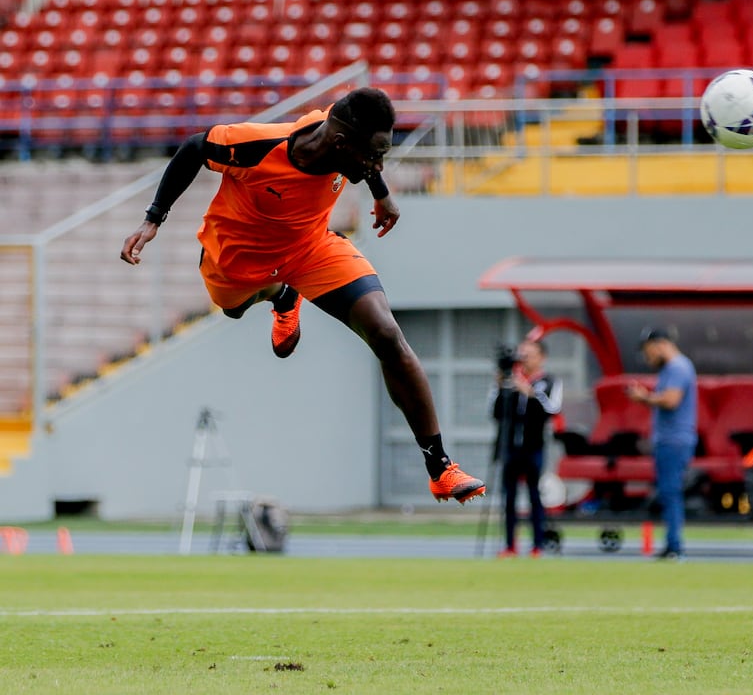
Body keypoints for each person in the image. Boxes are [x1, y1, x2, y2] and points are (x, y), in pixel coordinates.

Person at [119, 87, 485, 504]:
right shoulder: (256, 146)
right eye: (374, 156)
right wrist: (153, 221)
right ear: (341, 144)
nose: (378, 164)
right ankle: (281, 297)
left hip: (311, 248)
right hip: (237, 257)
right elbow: (194, 148)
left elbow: (366, 149)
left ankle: (440, 467)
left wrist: (381, 194)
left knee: (386, 334)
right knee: (234, 309)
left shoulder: (344, 130)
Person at [627, 327, 698, 560]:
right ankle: (672, 543)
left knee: (670, 492)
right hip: (669, 439)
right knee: (668, 492)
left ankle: (674, 545)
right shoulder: (671, 369)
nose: (648, 358)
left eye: (649, 352)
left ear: (660, 345)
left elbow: (670, 400)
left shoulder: (678, 367)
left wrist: (642, 397)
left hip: (674, 440)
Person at [488, 338, 562, 558]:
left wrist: (529, 392)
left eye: (529, 354)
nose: (525, 359)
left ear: (541, 357)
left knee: (534, 495)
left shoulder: (548, 381)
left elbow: (552, 409)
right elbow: (494, 412)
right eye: (523, 354)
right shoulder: (509, 381)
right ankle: (510, 545)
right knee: (508, 496)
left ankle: (537, 545)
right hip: (509, 446)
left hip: (534, 446)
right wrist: (502, 387)